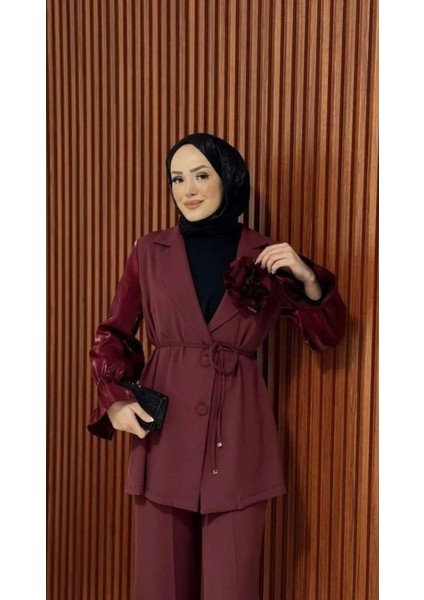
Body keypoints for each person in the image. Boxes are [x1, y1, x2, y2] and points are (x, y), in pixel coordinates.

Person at [87, 132, 346, 600]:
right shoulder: (149, 251)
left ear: (228, 179)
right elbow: (115, 334)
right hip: (163, 438)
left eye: (201, 175)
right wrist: (115, 401)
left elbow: (326, 336)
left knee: (233, 587)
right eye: (177, 179)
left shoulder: (265, 254)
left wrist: (307, 277)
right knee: (160, 586)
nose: (187, 189)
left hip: (239, 436)